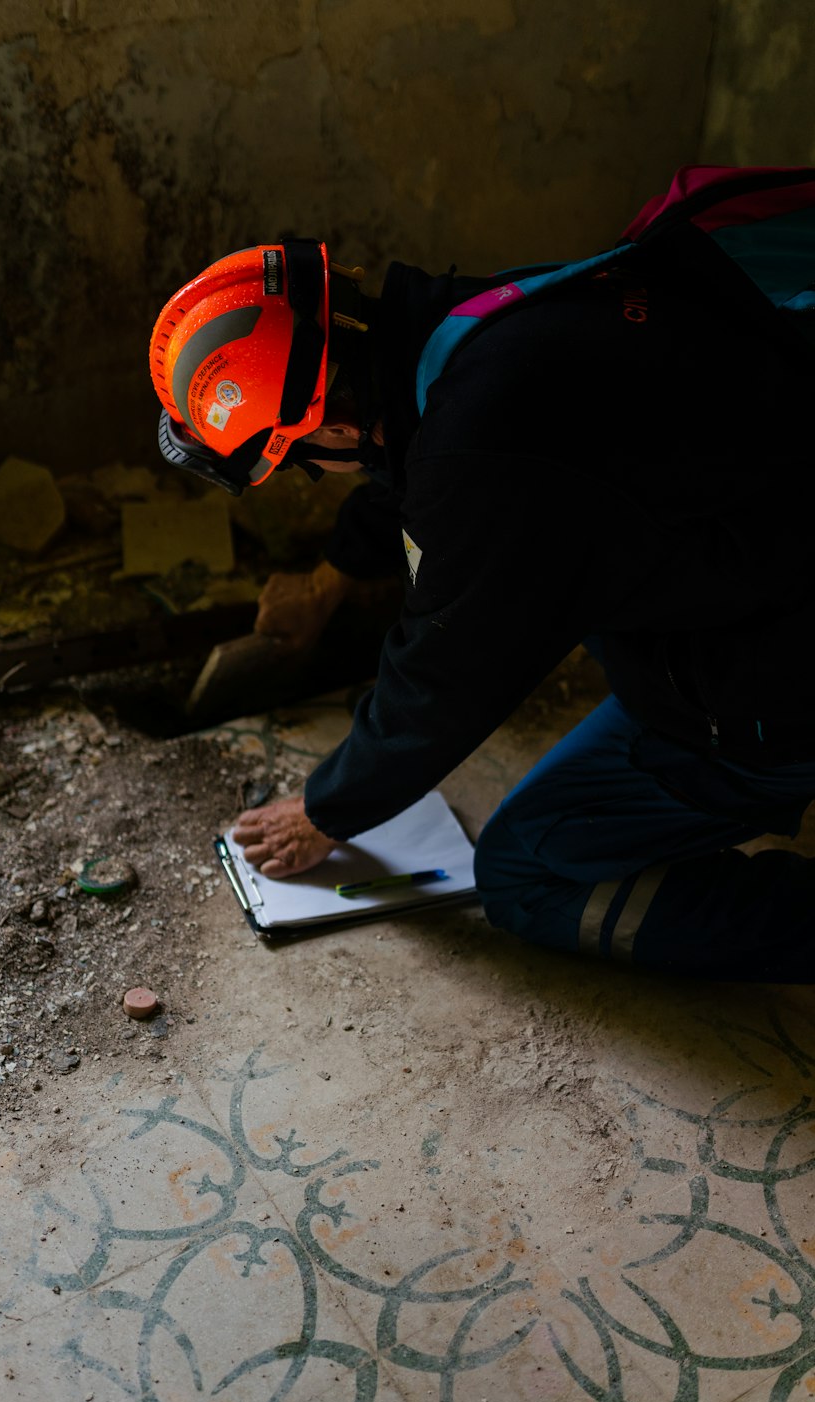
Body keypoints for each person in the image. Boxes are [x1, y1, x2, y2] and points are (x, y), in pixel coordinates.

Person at [149, 207, 815, 982]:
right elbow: (419, 456)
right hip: (767, 510)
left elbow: (441, 679)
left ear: (327, 429)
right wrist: (333, 578)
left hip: (776, 671)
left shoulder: (480, 454)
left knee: (523, 876)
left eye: (294, 458)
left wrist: (324, 808)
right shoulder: (472, 323)